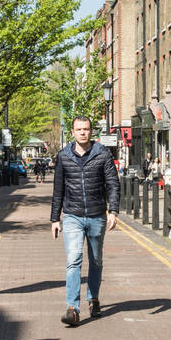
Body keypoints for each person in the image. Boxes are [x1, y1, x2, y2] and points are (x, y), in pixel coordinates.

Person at [50, 116, 120, 327]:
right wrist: (55, 218)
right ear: (72, 132)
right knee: (74, 259)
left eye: (86, 129)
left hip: (97, 214)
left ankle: (93, 298)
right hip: (72, 216)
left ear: (91, 132)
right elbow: (58, 190)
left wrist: (113, 210)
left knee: (96, 260)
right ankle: (73, 308)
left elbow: (113, 184)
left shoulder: (102, 153)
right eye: (79, 129)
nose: (83, 132)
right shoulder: (63, 156)